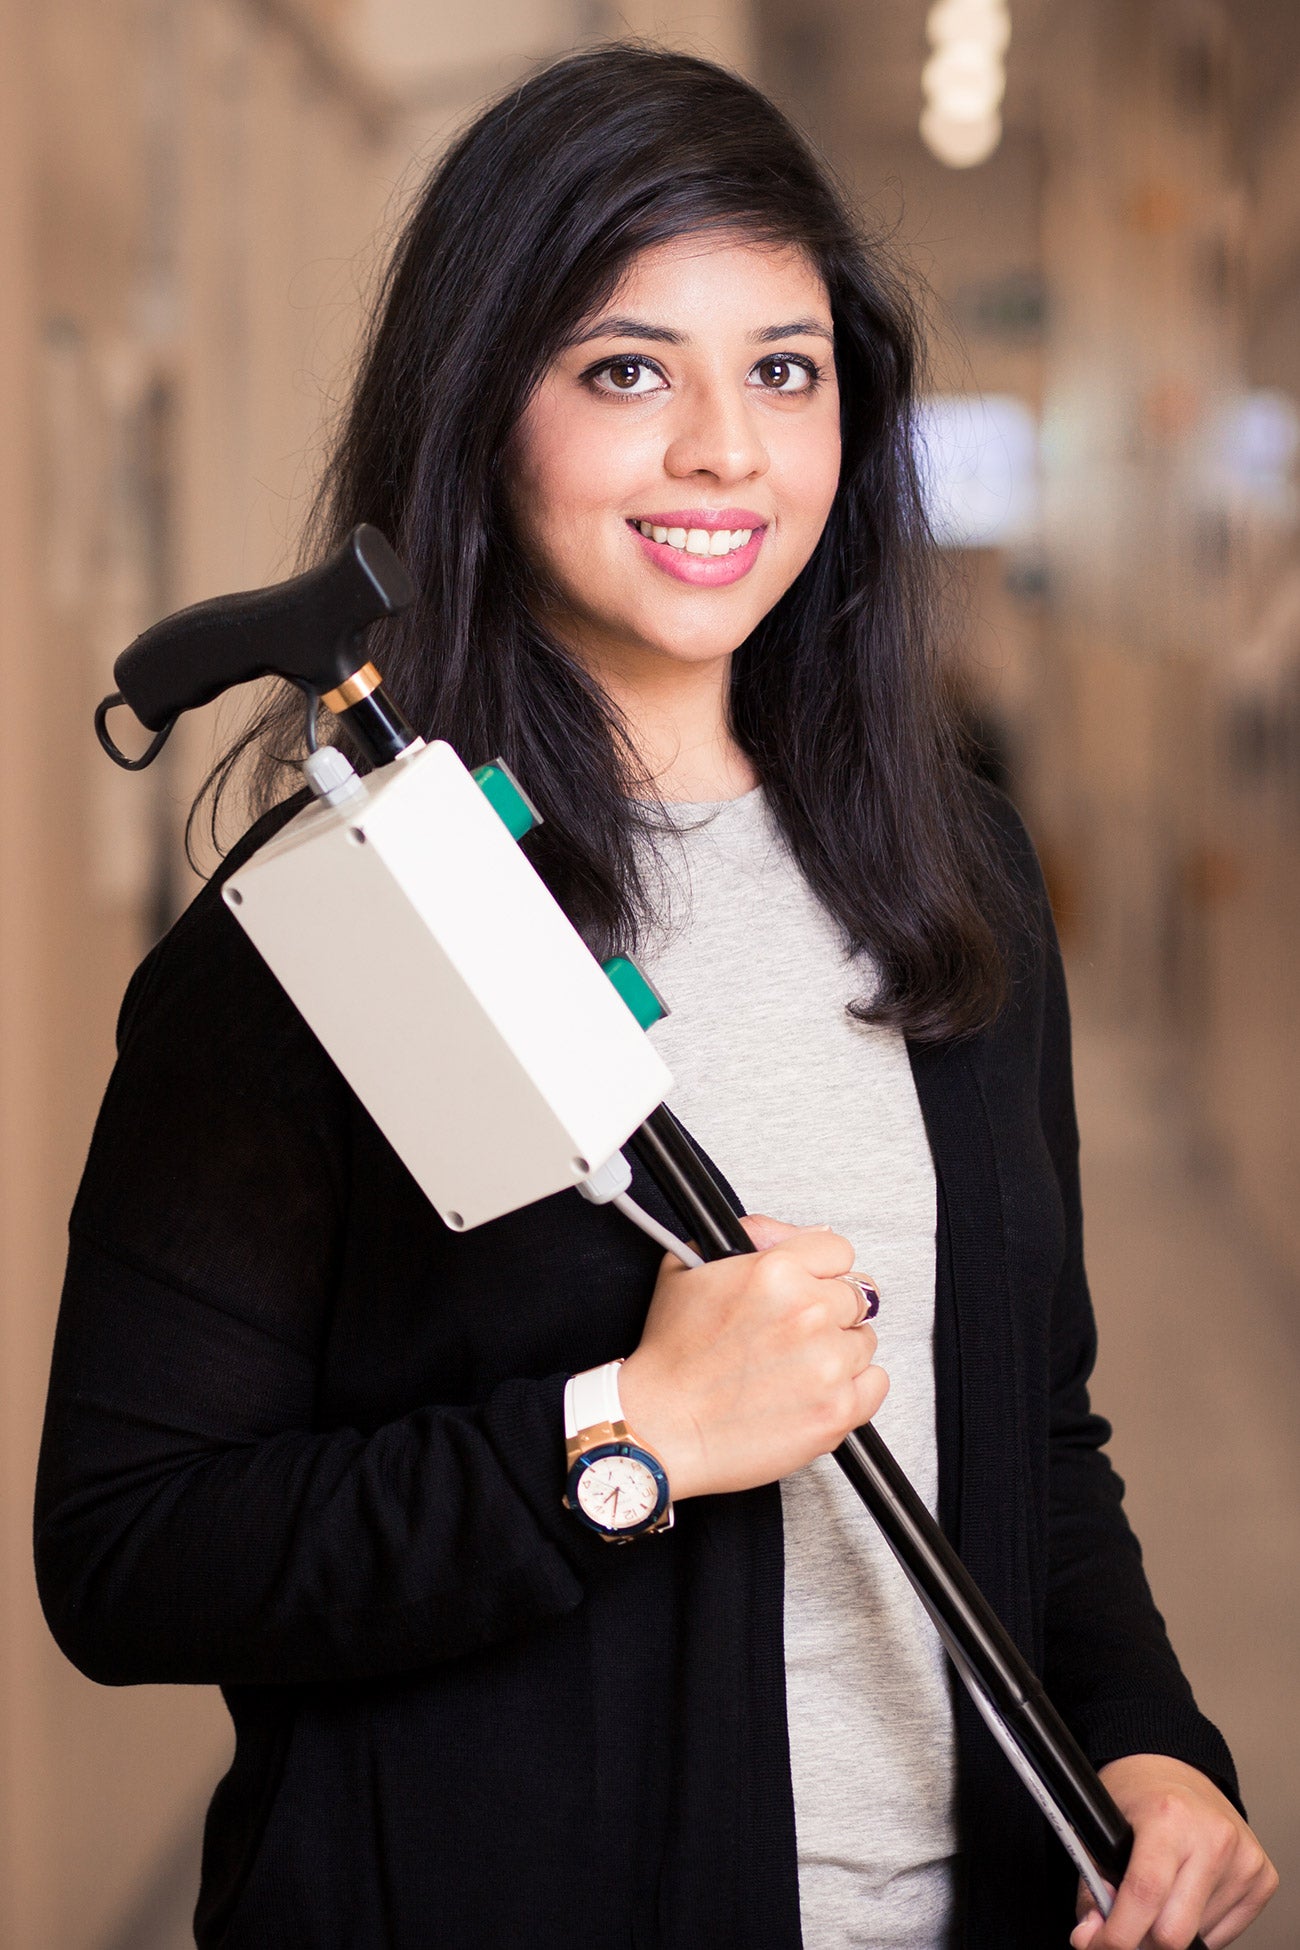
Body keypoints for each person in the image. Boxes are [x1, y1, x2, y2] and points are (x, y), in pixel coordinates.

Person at [35, 45, 1276, 1950]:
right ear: (481, 413)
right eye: (629, 369)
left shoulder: (960, 874)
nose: (727, 451)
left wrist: (1154, 1741)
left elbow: (1030, 1433)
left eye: (782, 369)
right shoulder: (330, 940)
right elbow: (128, 1554)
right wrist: (621, 1438)